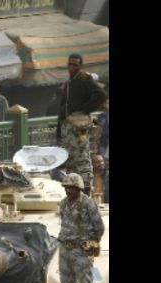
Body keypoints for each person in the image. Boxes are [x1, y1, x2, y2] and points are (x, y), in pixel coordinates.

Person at [56, 54, 107, 196]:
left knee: (82, 160)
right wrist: (58, 133)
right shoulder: (68, 83)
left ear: (80, 66)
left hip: (79, 128)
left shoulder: (85, 78)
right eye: (70, 64)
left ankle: (85, 192)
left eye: (75, 65)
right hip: (67, 127)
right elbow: (62, 109)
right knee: (71, 161)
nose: (72, 67)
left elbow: (100, 94)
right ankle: (74, 192)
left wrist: (85, 109)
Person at [57, 173, 105, 283]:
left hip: (81, 250)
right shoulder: (63, 203)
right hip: (65, 249)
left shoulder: (88, 203)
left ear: (78, 188)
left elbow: (99, 227)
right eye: (66, 187)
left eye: (71, 187)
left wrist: (91, 244)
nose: (67, 190)